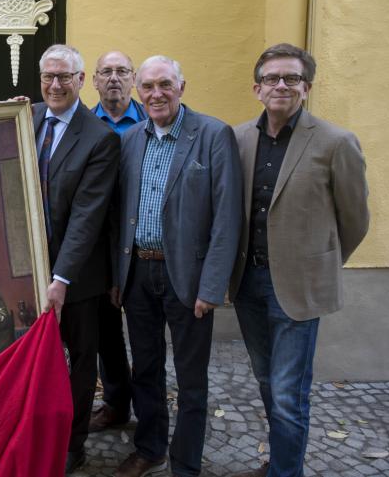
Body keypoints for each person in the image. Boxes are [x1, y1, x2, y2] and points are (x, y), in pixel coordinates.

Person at [229, 44, 369, 477]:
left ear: (306, 87)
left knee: (290, 392)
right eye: (272, 78)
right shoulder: (237, 138)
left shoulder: (336, 142)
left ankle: (285, 472)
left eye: (291, 78)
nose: (281, 86)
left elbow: (355, 219)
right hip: (248, 284)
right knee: (268, 383)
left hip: (298, 288)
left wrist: (318, 264)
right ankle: (280, 461)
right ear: (257, 88)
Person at [113, 55, 242, 477]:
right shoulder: (131, 139)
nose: (156, 94)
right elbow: (119, 214)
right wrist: (120, 276)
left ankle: (185, 464)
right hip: (138, 276)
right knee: (145, 369)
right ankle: (151, 448)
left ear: (181, 87)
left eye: (164, 84)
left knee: (191, 379)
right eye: (147, 86)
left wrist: (212, 286)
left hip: (185, 277)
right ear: (138, 91)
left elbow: (227, 217)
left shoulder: (212, 134)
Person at [32, 44, 120, 473]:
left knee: (82, 359)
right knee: (31, 357)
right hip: (28, 269)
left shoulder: (99, 137)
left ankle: (73, 440)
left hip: (78, 276)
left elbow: (87, 216)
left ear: (81, 80)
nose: (55, 84)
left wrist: (61, 277)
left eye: (64, 77)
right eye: (49, 76)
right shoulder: (25, 118)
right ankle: (30, 426)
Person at [89, 50, 146, 432]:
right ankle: (115, 403)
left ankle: (150, 409)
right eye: (106, 72)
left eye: (122, 71)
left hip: (141, 245)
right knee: (105, 333)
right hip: (96, 246)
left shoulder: (151, 119)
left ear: (134, 78)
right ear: (93, 81)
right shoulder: (80, 123)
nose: (114, 78)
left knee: (145, 333)